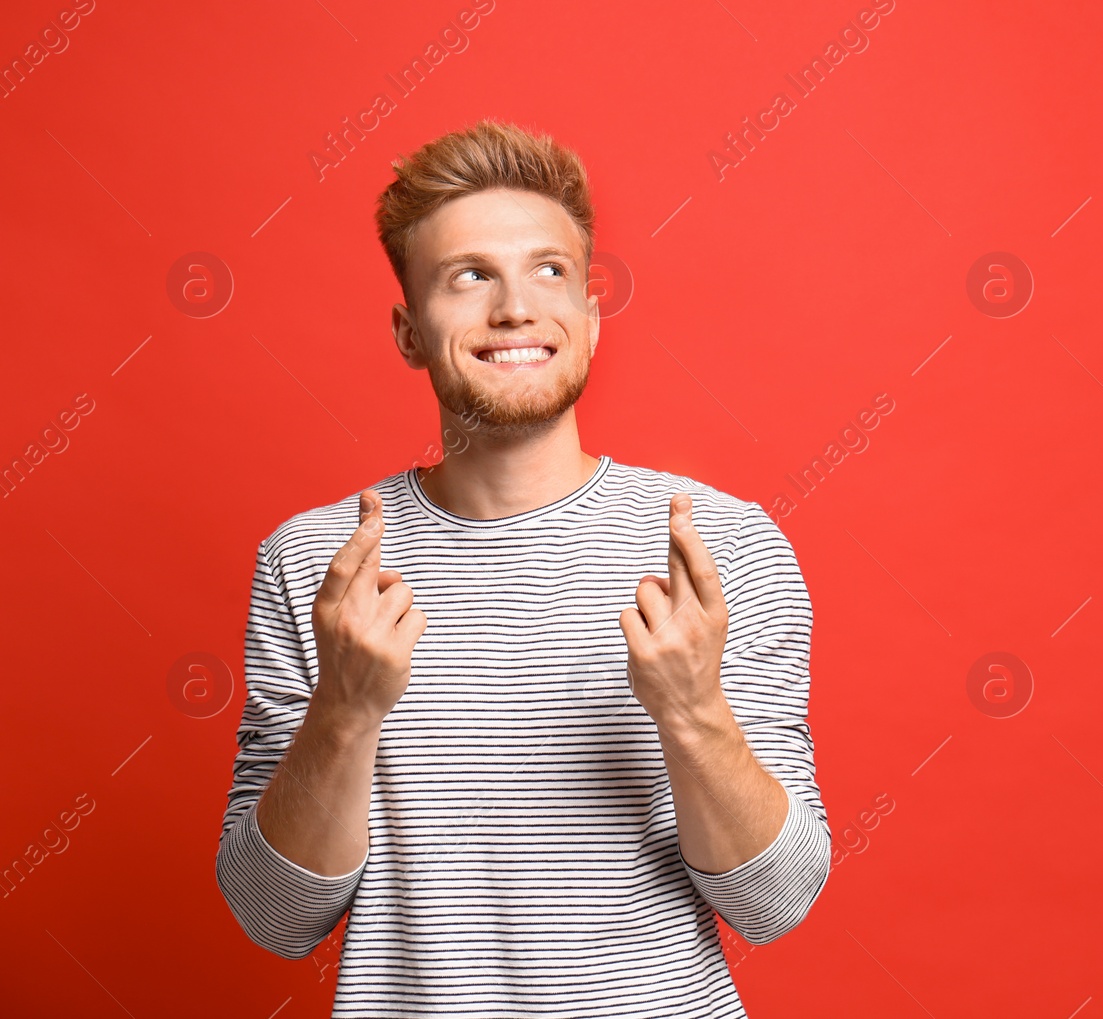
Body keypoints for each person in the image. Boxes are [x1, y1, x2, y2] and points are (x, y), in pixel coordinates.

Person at [214, 119, 831, 1017]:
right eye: (469, 276)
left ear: (587, 316)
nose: (515, 309)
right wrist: (344, 710)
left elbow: (774, 903)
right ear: (407, 331)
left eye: (551, 271)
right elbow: (274, 918)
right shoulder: (315, 563)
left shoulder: (721, 545)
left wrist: (692, 711)